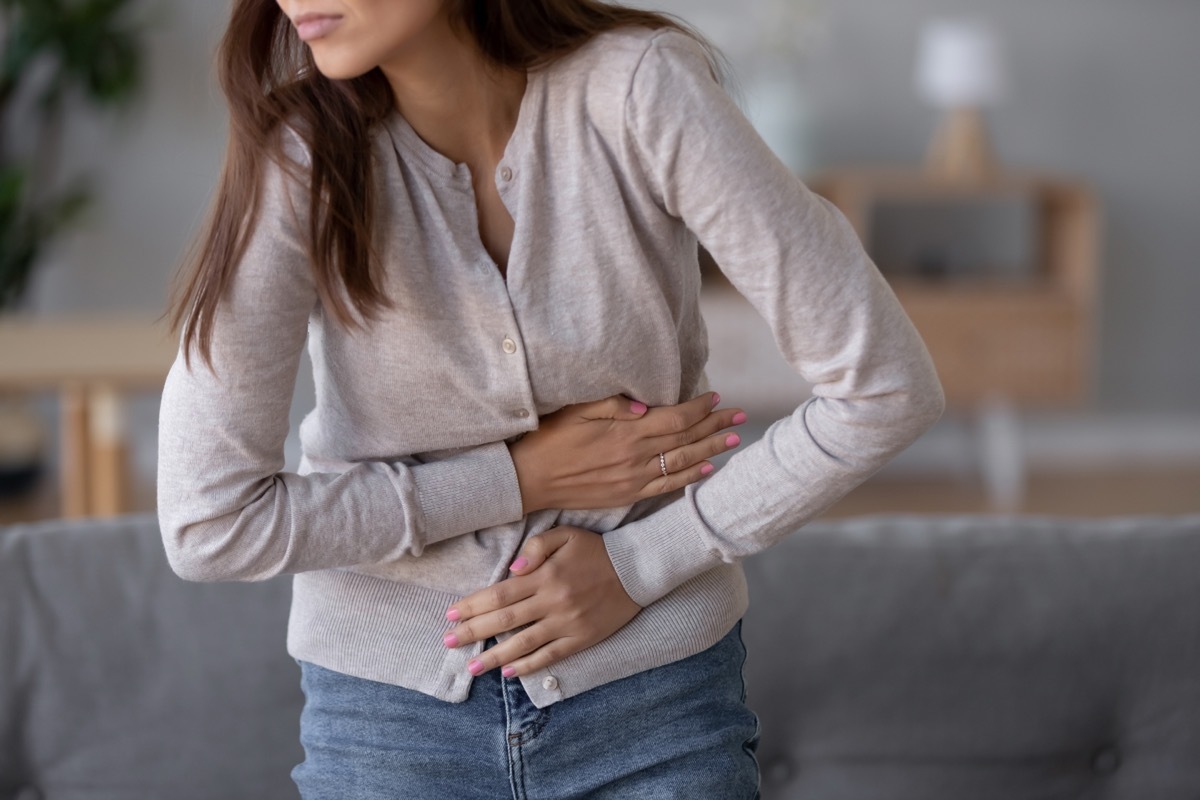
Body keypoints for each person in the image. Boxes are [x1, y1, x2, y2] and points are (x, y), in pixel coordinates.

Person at [157, 0, 945, 796]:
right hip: (386, 721)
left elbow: (885, 387)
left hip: (656, 699)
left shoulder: (641, 89)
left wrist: (640, 563)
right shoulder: (299, 157)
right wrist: (518, 478)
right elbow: (208, 522)